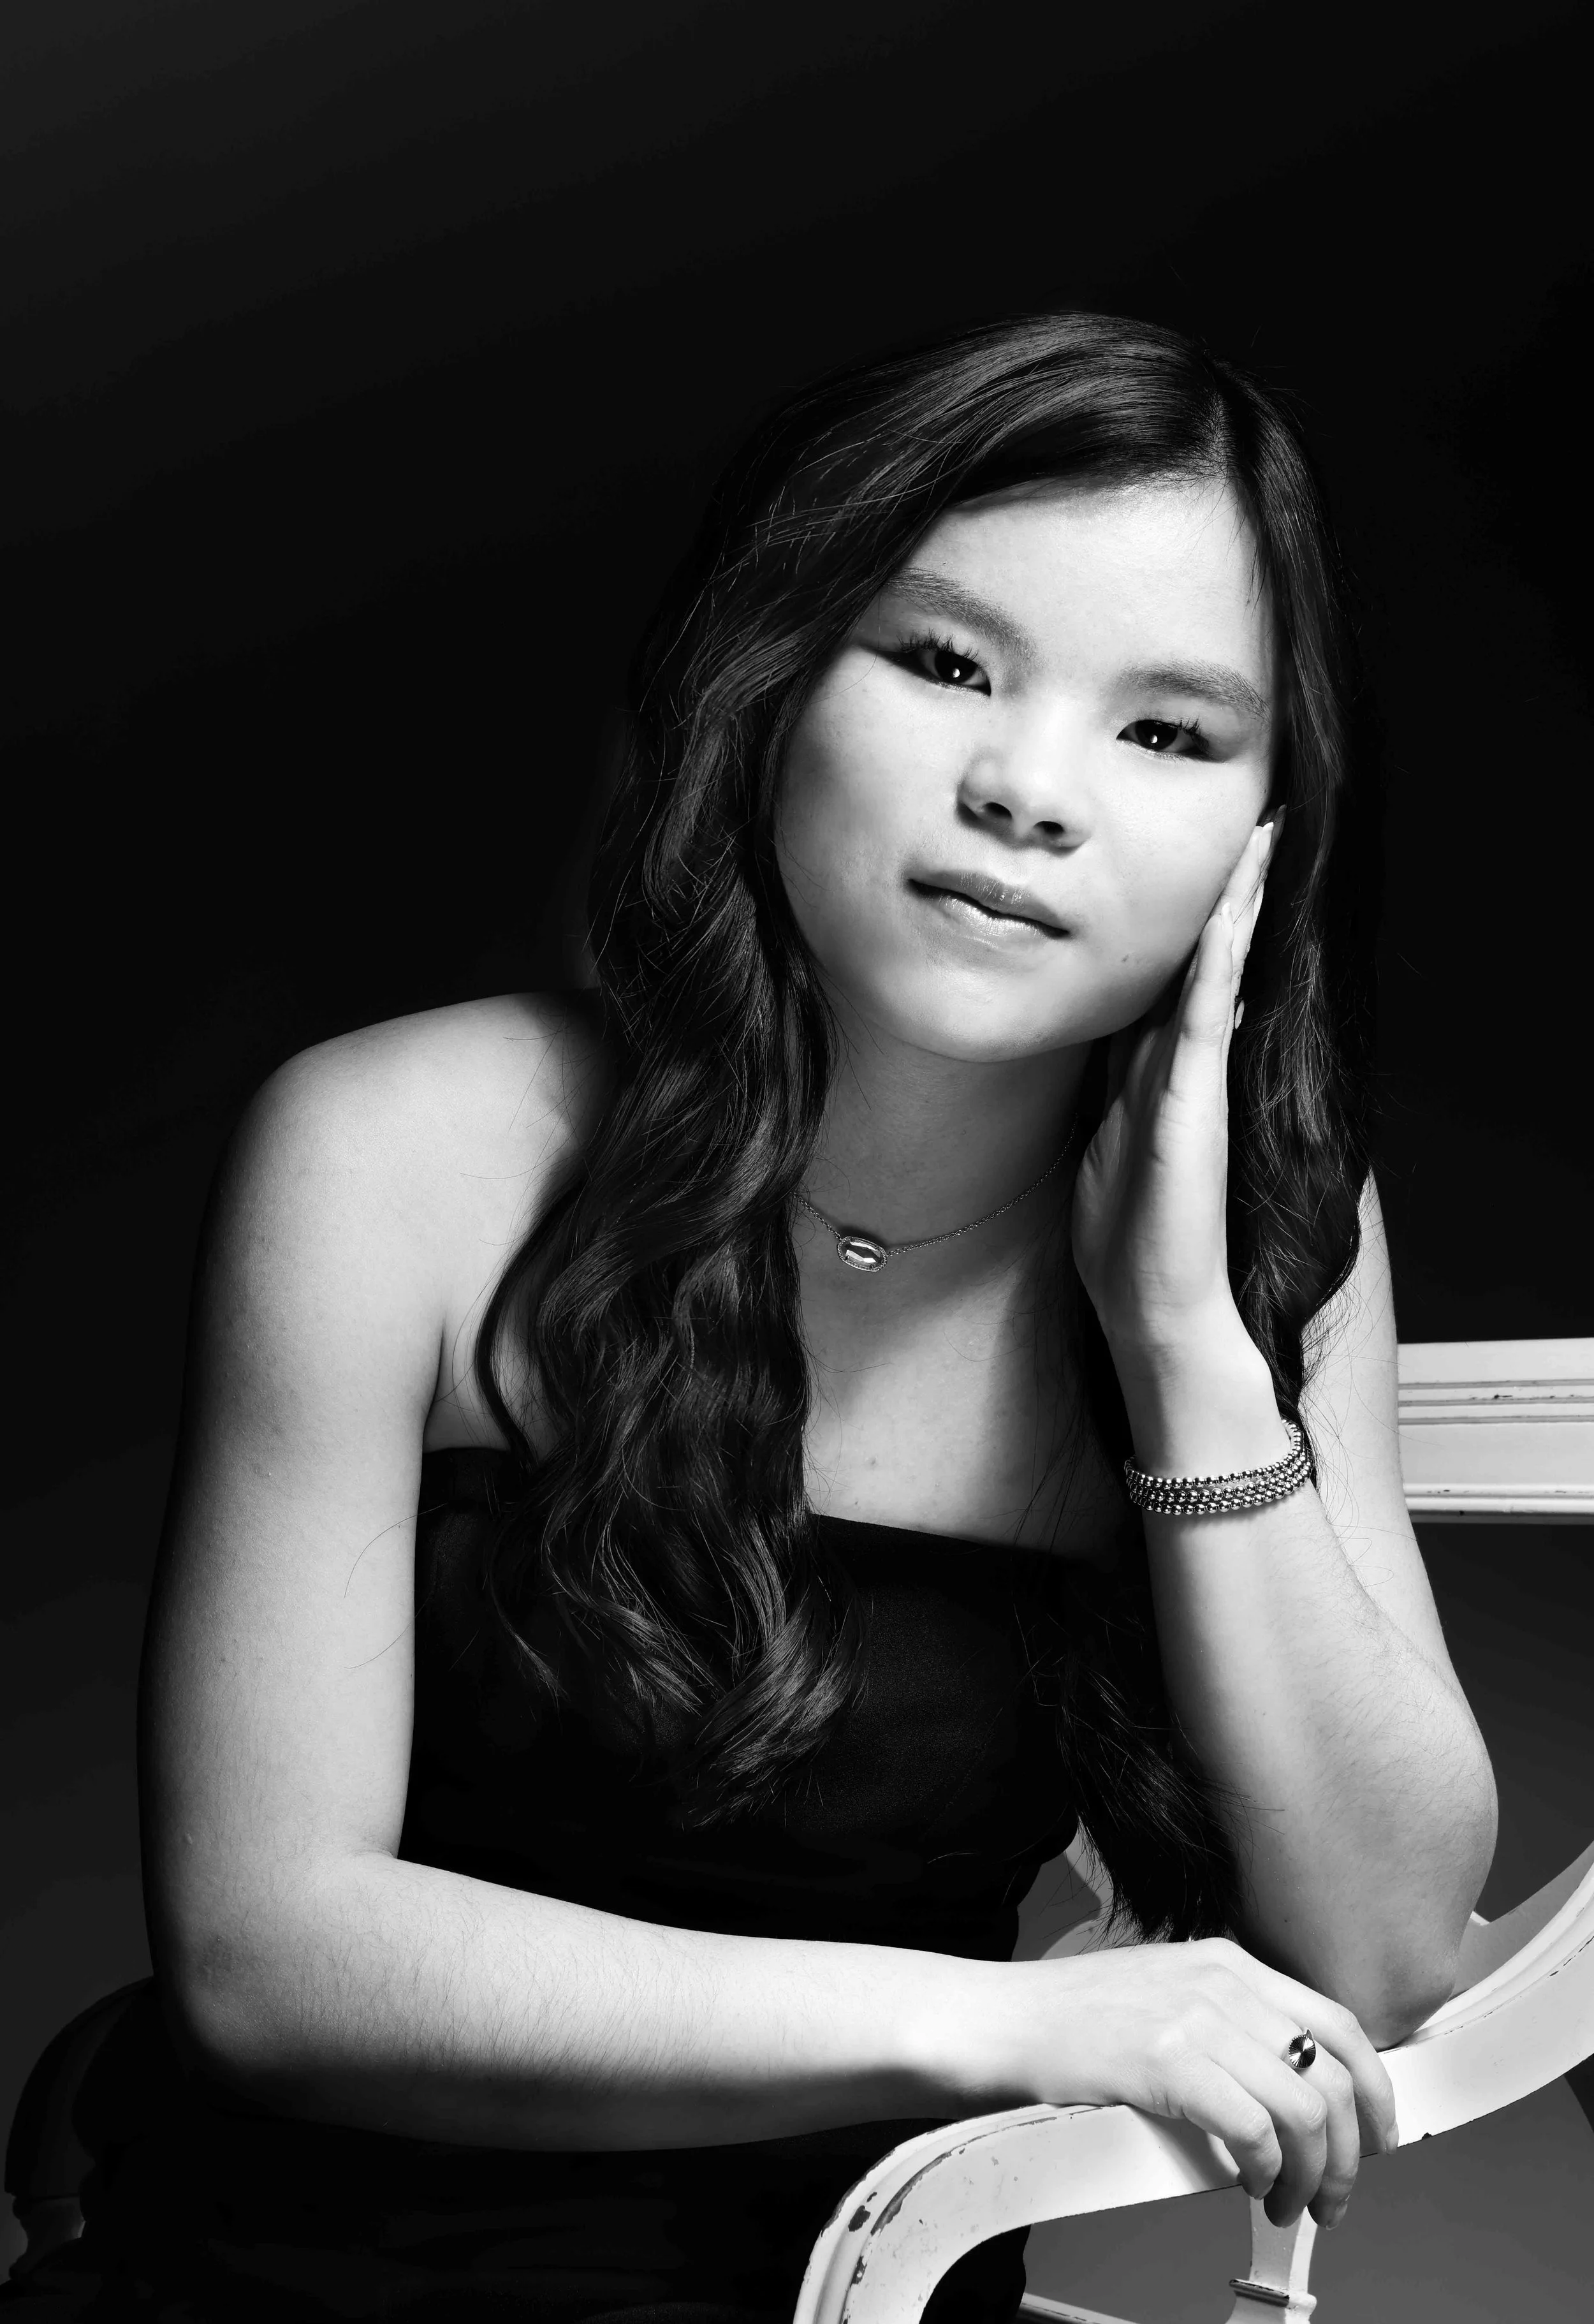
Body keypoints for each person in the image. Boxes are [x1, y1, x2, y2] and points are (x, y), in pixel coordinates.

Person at [8, 311, 1496, 2323]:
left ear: (1267, 828)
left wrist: (1179, 1344)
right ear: (772, 683)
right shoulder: (400, 1154)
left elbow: (1381, 1949)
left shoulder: (1261, 1239)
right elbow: (272, 1958)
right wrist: (995, 2027)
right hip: (292, 2276)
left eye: (1167, 730)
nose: (1027, 790)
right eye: (946, 661)